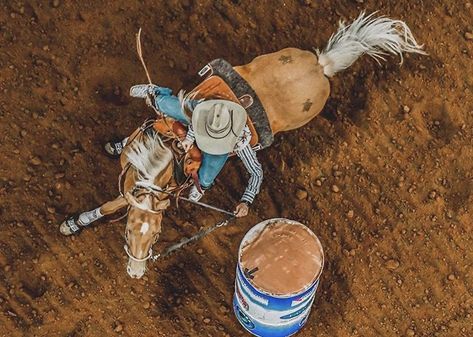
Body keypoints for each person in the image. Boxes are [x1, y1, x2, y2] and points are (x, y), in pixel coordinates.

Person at [105, 84, 263, 218]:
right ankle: (154, 91)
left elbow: (256, 171)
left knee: (207, 177)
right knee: (164, 104)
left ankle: (201, 186)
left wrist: (246, 201)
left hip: (211, 139)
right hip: (197, 116)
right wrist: (190, 138)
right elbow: (196, 120)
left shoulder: (240, 139)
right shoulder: (205, 109)